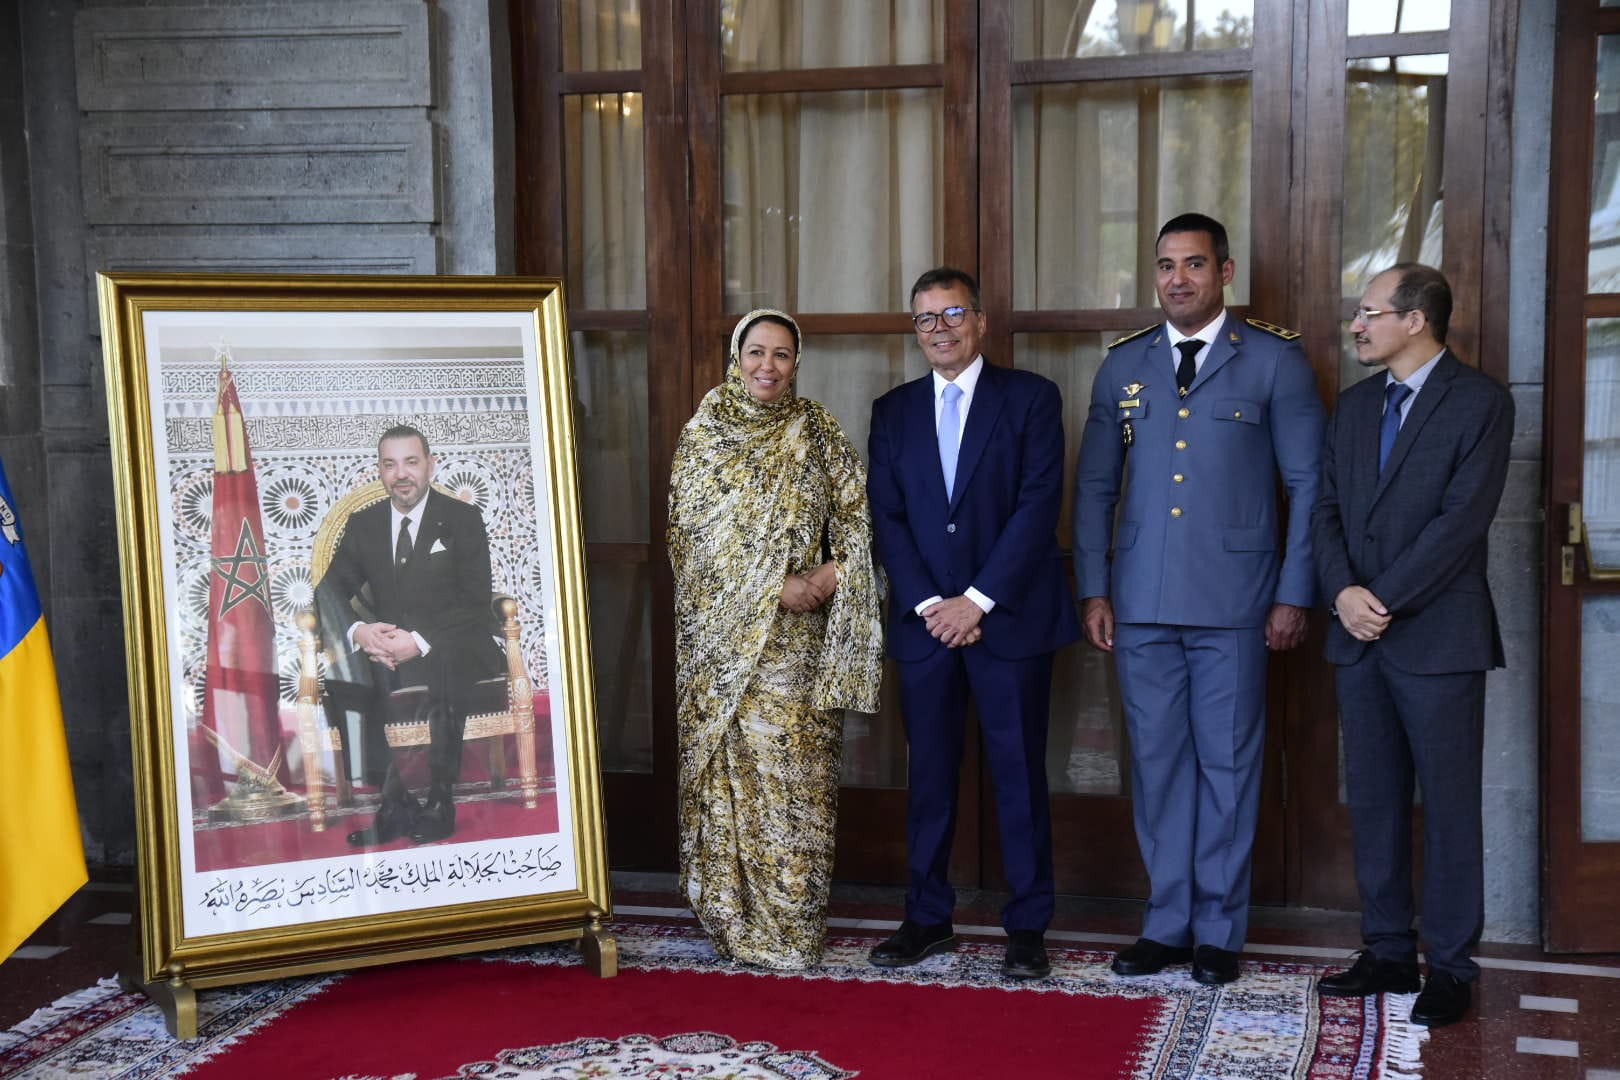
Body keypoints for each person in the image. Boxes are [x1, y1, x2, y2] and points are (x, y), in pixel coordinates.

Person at [1072, 213, 1324, 986]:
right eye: (1165, 266)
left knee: (1229, 764)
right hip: (1141, 600)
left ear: (1225, 272)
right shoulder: (1124, 366)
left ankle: (1218, 929)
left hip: (1236, 604)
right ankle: (1168, 922)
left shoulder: (1275, 362)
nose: (1178, 278)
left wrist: (1292, 592)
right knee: (1156, 766)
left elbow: (1308, 486)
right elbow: (1095, 487)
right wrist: (1094, 585)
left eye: (1193, 264)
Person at [1311, 264, 1513, 1028]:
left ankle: (1452, 968)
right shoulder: (1356, 407)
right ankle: (1388, 949)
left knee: (1451, 808)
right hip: (1358, 638)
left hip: (1438, 639)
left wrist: (1382, 600)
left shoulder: (1482, 403)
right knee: (1376, 802)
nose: (1356, 326)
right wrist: (1342, 595)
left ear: (1416, 321)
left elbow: (1461, 524)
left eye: (1369, 313)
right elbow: (1325, 510)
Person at [866, 267, 1079, 981]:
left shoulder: (1031, 399)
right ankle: (926, 917)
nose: (939, 328)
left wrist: (977, 600)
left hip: (1006, 621)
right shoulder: (891, 412)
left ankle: (1026, 926)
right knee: (928, 776)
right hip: (926, 627)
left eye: (952, 312)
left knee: (1019, 774)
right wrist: (932, 605)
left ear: (980, 321)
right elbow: (887, 519)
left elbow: (1037, 504)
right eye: (925, 318)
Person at [668, 308, 883, 970]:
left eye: (782, 355)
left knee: (798, 785)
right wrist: (771, 587)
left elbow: (855, 514)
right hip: (729, 652)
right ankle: (736, 922)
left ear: (797, 362)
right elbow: (692, 541)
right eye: (756, 352)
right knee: (738, 785)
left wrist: (833, 570)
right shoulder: (705, 435)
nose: (768, 366)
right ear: (736, 359)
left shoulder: (817, 430)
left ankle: (793, 928)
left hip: (801, 646)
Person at [316, 424, 503, 846]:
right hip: (387, 648)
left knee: (442, 670)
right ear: (380, 471)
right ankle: (393, 803)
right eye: (390, 464)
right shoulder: (364, 524)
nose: (401, 474)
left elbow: (475, 600)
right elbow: (327, 590)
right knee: (347, 681)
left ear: (430, 466)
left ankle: (440, 800)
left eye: (411, 462)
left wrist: (417, 641)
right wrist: (362, 632)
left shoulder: (462, 518)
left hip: (455, 642)